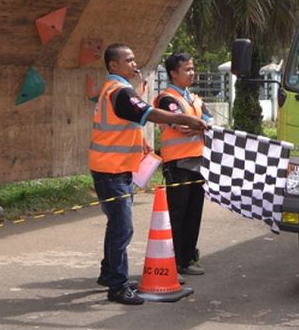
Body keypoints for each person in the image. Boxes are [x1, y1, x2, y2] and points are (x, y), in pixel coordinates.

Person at [90, 44, 206, 305]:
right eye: (128, 60)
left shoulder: (117, 90)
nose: (134, 64)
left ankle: (110, 274)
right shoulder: (120, 92)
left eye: (134, 59)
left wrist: (140, 141)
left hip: (117, 168)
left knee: (117, 225)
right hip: (111, 169)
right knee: (123, 228)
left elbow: (130, 121)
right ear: (113, 66)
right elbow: (148, 113)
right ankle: (118, 287)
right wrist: (188, 121)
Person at [154, 52, 213, 277]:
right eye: (187, 69)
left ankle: (186, 259)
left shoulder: (194, 99)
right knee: (176, 216)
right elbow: (183, 126)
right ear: (173, 73)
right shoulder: (167, 99)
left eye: (192, 68)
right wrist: (202, 126)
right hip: (178, 164)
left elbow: (210, 122)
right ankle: (172, 263)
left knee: (193, 213)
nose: (192, 72)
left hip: (198, 163)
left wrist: (201, 125)